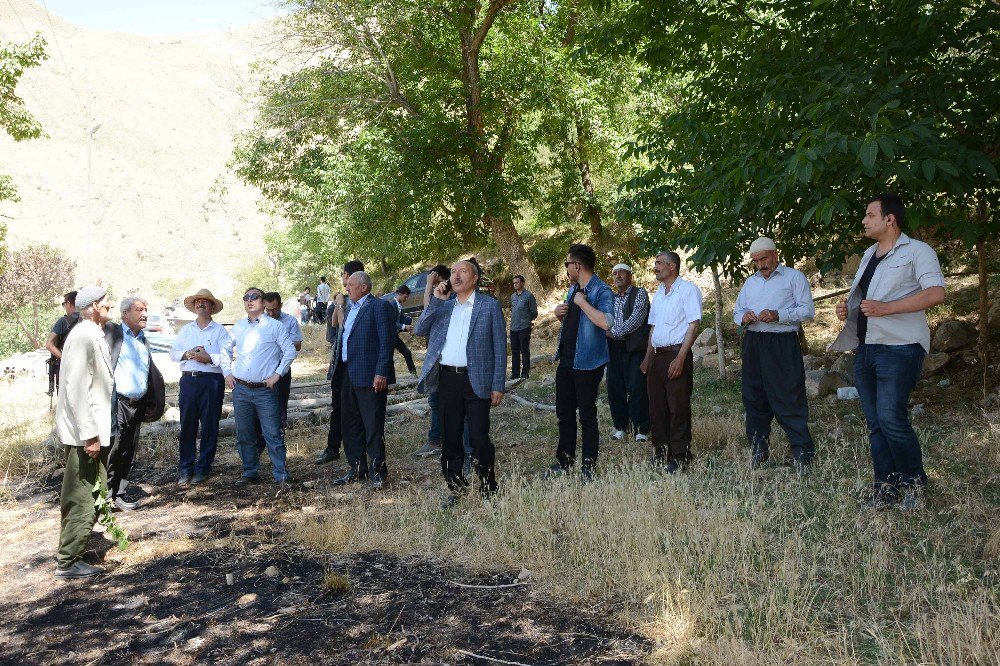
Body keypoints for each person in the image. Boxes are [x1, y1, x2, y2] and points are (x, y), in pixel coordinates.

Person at [831, 193, 945, 511]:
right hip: (866, 348)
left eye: (870, 215)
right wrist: (848, 309)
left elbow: (936, 292)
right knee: (875, 423)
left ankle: (914, 485)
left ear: (890, 219)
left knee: (892, 418)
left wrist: (888, 308)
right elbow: (867, 300)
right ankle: (886, 489)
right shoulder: (869, 254)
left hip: (900, 347)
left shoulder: (918, 252)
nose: (864, 220)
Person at [415, 260, 507, 505]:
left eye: (462, 271)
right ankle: (456, 487)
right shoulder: (443, 306)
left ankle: (488, 488)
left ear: (475, 278)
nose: (455, 276)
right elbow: (420, 330)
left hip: (477, 379)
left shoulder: (489, 306)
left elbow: (500, 348)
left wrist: (498, 385)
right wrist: (435, 299)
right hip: (447, 380)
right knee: (450, 437)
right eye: (453, 272)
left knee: (479, 437)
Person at [734, 238, 816, 473]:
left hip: (782, 343)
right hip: (754, 343)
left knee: (789, 395)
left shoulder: (794, 277)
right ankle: (758, 450)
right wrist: (744, 317)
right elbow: (736, 311)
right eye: (756, 261)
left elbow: (807, 311)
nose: (761, 264)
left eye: (764, 259)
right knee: (754, 395)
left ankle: (802, 452)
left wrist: (779, 314)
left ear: (775, 254)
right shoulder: (750, 283)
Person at [54, 286, 115, 578]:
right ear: (91, 307)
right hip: (84, 434)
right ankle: (68, 561)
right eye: (105, 302)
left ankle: (74, 551)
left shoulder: (91, 333)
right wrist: (90, 435)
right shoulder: (81, 336)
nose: (110, 305)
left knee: (93, 488)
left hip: (91, 431)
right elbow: (76, 388)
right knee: (82, 495)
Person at [221, 287, 297, 488]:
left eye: (254, 297)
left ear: (263, 302)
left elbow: (290, 351)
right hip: (241, 389)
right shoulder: (238, 327)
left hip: (265, 389)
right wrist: (227, 373)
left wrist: (277, 375)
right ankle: (250, 471)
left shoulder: (275, 326)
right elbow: (225, 350)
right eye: (246, 297)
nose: (249, 300)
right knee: (244, 433)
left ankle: (281, 474)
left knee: (272, 432)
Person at [549, 244, 614, 480]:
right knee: (564, 414)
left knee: (587, 415)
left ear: (577, 265)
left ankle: (588, 466)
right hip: (567, 361)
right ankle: (565, 462)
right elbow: (573, 324)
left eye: (567, 264)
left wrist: (582, 302)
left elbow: (607, 322)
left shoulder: (601, 291)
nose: (566, 269)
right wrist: (560, 315)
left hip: (588, 364)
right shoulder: (573, 289)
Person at [333, 271, 397, 488]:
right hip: (347, 374)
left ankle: (378, 471)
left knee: (372, 425)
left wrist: (382, 372)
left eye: (350, 284)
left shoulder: (380, 306)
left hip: (370, 376)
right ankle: (356, 468)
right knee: (350, 424)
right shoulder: (350, 308)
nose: (346, 288)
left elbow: (386, 343)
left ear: (363, 287)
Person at [641, 251, 702, 472]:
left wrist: (681, 358)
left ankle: (680, 456)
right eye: (655, 262)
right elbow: (653, 327)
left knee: (678, 407)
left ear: (672, 266)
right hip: (657, 356)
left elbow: (693, 325)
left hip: (676, 354)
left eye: (658, 263)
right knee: (657, 407)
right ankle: (661, 452)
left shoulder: (688, 290)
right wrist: (648, 357)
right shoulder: (658, 292)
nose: (655, 267)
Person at [104, 296, 165, 511]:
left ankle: (118, 495)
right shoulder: (112, 333)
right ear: (125, 314)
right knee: (113, 449)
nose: (145, 314)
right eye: (139, 309)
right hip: (117, 403)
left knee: (128, 451)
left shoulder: (143, 340)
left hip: (136, 405)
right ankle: (104, 499)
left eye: (146, 309)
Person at [169, 289, 231, 486]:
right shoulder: (186, 330)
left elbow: (227, 357)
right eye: (198, 302)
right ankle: (185, 468)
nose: (201, 304)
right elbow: (173, 353)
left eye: (205, 302)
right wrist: (187, 354)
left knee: (209, 425)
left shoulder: (220, 331)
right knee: (187, 424)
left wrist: (208, 358)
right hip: (188, 381)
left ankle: (203, 468)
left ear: (212, 307)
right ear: (194, 307)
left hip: (211, 381)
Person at [316, 260, 364, 465]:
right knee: (341, 407)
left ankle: (347, 448)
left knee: (356, 407)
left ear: (345, 275)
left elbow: (336, 333)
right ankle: (334, 447)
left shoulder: (362, 303)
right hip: (343, 365)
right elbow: (335, 332)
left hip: (355, 365)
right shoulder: (340, 302)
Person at [606, 263, 651, 442]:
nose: (617, 276)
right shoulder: (611, 297)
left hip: (634, 348)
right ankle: (621, 426)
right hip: (613, 348)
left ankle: (641, 428)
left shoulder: (640, 293)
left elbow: (637, 320)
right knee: (614, 386)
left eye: (621, 273)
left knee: (637, 386)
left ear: (630, 275)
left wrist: (612, 332)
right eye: (615, 273)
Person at [412, 264, 451, 458]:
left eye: (435, 280)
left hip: (446, 358)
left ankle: (438, 440)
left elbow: (428, 310)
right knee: (435, 400)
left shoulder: (448, 297)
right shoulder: (442, 295)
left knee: (439, 400)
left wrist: (429, 286)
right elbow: (424, 320)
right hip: (436, 356)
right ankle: (437, 439)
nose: (432, 285)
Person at [259, 291, 303, 444]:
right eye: (268, 310)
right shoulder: (259, 321)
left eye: (274, 309)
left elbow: (297, 345)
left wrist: (279, 342)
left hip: (282, 368)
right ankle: (261, 441)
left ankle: (279, 438)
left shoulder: (290, 321)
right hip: (263, 368)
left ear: (281, 305)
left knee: (281, 404)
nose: (271, 313)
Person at [44, 290, 80, 395]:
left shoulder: (63, 321)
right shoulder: (88, 320)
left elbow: (49, 344)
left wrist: (65, 358)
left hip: (67, 369)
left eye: (64, 304)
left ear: (69, 303)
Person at [382, 284, 417, 375]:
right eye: (405, 297)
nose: (406, 299)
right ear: (400, 294)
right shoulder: (392, 304)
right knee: (388, 359)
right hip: (389, 336)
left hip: (394, 335)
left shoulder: (399, 305)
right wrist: (404, 327)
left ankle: (413, 373)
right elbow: (391, 323)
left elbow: (401, 320)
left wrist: (408, 323)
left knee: (407, 352)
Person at [509, 275, 538, 379]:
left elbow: (534, 312)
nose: (515, 284)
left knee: (524, 351)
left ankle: (525, 373)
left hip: (524, 327)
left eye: (517, 282)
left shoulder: (529, 296)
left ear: (522, 283)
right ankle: (515, 374)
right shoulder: (513, 296)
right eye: (514, 283)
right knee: (514, 351)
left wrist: (527, 320)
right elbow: (513, 310)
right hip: (513, 327)